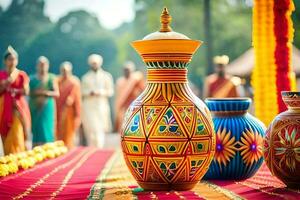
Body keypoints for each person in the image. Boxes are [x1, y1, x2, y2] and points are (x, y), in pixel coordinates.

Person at [0, 46, 31, 155]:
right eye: (9, 59)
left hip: (17, 107)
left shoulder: (21, 74)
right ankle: (8, 158)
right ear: (5, 61)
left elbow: (26, 91)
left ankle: (19, 156)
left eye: (14, 59)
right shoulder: (1, 75)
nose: (12, 62)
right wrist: (5, 84)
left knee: (17, 130)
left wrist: (15, 90)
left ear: (17, 61)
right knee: (4, 131)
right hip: (3, 107)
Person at [81, 54, 114, 148]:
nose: (94, 65)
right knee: (91, 128)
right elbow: (82, 92)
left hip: (101, 105)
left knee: (100, 129)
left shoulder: (106, 76)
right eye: (93, 63)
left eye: (96, 63)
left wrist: (101, 92)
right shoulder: (85, 78)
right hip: (89, 105)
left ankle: (99, 149)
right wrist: (89, 93)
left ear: (100, 63)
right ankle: (91, 149)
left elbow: (110, 91)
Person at [29, 56, 59, 147]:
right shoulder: (32, 78)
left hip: (47, 107)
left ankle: (48, 148)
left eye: (44, 64)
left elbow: (57, 93)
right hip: (35, 107)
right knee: (36, 128)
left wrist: (45, 93)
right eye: (40, 64)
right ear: (36, 66)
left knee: (48, 127)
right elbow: (27, 92)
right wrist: (35, 92)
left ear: (48, 66)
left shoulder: (51, 78)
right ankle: (36, 149)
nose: (42, 66)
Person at [56, 62, 81, 149]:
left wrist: (77, 114)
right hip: (58, 111)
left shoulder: (74, 82)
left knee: (69, 133)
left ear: (70, 71)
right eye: (63, 71)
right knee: (58, 131)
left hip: (69, 112)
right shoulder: (57, 81)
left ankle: (69, 149)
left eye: (66, 71)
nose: (65, 73)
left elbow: (76, 99)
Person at [115, 61, 145, 133]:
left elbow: (143, 90)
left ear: (132, 70)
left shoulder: (136, 80)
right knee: (123, 127)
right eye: (125, 70)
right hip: (124, 108)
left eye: (128, 70)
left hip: (134, 107)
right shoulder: (120, 81)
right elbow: (119, 97)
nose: (126, 72)